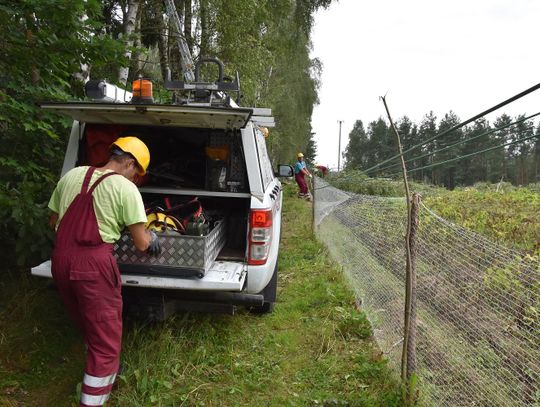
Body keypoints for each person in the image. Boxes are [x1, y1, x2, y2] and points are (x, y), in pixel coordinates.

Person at [48, 136, 161, 407]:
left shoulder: (72, 175)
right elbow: (142, 243)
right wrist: (152, 240)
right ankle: (93, 399)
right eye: (137, 173)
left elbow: (53, 221)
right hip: (93, 266)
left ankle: (100, 366)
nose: (136, 180)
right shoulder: (125, 188)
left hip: (61, 261)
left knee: (88, 324)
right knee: (107, 344)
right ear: (130, 163)